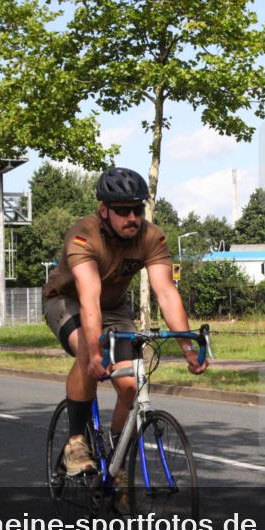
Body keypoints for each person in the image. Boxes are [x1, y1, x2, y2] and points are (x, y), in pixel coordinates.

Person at [43, 167, 208, 478]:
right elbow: (89, 296)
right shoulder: (83, 234)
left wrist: (187, 346)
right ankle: (75, 442)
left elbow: (166, 293)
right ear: (104, 210)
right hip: (68, 301)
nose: (132, 217)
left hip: (115, 308)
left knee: (131, 383)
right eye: (122, 211)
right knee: (85, 349)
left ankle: (117, 459)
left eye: (137, 208)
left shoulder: (150, 236)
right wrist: (93, 352)